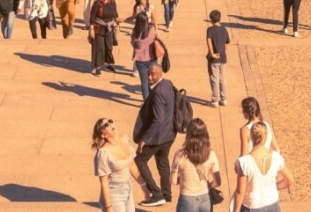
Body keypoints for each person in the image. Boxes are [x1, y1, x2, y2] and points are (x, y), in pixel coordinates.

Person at [133, 62, 178, 207]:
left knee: (140, 160)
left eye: (153, 74)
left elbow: (158, 120)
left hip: (158, 137)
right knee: (163, 162)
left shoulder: (158, 92)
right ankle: (167, 194)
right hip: (169, 135)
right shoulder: (168, 84)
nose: (150, 77)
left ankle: (156, 194)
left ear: (160, 74)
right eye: (149, 74)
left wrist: (144, 139)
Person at [232, 122, 291, 212]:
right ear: (266, 136)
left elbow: (240, 192)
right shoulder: (276, 157)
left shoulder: (244, 162)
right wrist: (273, 187)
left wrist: (236, 210)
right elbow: (290, 180)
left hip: (252, 205)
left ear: (251, 137)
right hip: (272, 204)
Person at [171, 117, 222, 212]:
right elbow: (218, 182)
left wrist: (183, 179)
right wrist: (210, 185)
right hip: (205, 198)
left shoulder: (179, 155)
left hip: (187, 199)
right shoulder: (211, 154)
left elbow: (173, 181)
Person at [92, 116, 139, 212]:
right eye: (105, 125)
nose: (109, 124)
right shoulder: (103, 153)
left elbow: (131, 165)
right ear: (103, 135)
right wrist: (108, 208)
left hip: (128, 188)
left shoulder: (125, 140)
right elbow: (104, 182)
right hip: (114, 193)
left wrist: (144, 186)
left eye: (110, 121)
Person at [90, 0, 122, 76]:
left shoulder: (112, 2)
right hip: (99, 28)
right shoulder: (97, 3)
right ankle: (97, 67)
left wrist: (117, 21)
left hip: (109, 28)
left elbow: (115, 13)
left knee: (109, 47)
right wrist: (91, 28)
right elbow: (92, 17)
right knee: (99, 47)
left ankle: (108, 64)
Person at [204, 10, 230, 108]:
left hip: (214, 59)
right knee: (222, 78)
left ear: (211, 20)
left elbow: (209, 41)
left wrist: (212, 53)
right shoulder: (224, 29)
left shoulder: (210, 30)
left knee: (214, 78)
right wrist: (224, 52)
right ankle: (224, 99)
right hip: (223, 58)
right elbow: (227, 43)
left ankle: (215, 99)